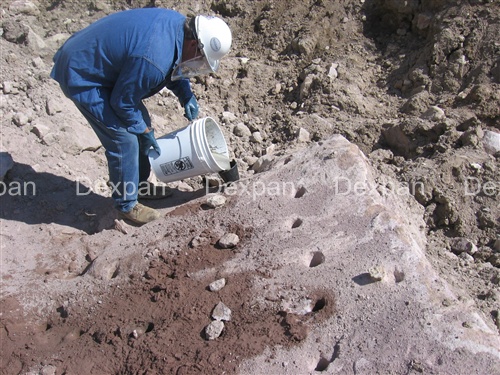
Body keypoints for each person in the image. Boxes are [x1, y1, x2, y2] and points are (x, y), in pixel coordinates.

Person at [50, 8, 232, 225]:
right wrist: (144, 132)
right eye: (201, 59)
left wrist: (186, 95)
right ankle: (126, 205)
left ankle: (138, 184)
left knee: (140, 123)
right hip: (82, 73)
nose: (198, 64)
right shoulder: (153, 57)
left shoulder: (177, 28)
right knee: (123, 139)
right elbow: (123, 102)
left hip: (104, 67)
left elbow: (173, 65)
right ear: (194, 44)